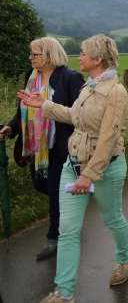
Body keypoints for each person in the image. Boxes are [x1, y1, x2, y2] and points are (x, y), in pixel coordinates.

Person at [18, 34, 128, 303]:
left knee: (113, 219)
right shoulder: (89, 87)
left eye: (82, 53)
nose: (77, 56)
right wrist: (42, 104)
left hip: (105, 168)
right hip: (73, 164)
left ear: (97, 59)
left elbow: (108, 138)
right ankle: (63, 293)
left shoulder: (115, 92)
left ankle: (124, 260)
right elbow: (74, 116)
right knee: (68, 230)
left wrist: (89, 175)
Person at [0, 37, 84, 261]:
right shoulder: (32, 77)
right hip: (38, 147)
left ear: (49, 55)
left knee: (57, 192)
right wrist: (11, 127)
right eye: (31, 54)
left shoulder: (70, 78)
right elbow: (23, 109)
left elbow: (79, 115)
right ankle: (70, 212)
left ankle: (54, 237)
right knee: (41, 185)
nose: (31, 58)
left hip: (61, 145)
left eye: (35, 54)